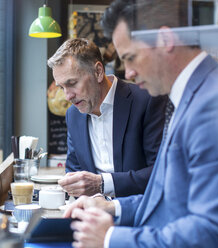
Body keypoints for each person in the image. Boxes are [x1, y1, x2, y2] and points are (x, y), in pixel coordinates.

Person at [64, 0, 218, 247]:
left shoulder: (215, 104)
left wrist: (111, 239)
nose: (130, 73)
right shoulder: (191, 95)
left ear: (165, 40)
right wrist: (111, 206)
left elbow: (214, 233)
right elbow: (168, 198)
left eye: (131, 57)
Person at [47, 38, 167, 197]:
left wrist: (102, 184)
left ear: (98, 72)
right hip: (91, 213)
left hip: (138, 213)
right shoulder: (73, 115)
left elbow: (161, 172)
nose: (67, 96)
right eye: (62, 87)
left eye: (72, 83)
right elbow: (74, 171)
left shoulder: (147, 100)